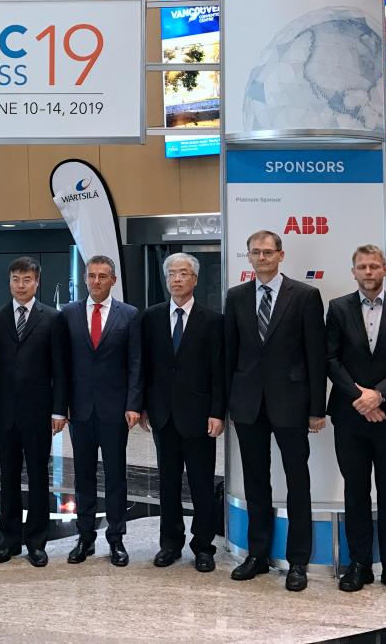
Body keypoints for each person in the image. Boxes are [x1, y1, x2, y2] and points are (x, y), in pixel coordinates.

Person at [225, 230, 325, 591]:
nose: (262, 257)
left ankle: (298, 560)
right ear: (249, 257)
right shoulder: (236, 296)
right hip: (248, 405)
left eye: (268, 252)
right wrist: (226, 404)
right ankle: (258, 555)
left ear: (281, 255)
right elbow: (229, 354)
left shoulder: (305, 295)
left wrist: (317, 408)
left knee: (298, 480)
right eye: (256, 252)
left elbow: (316, 356)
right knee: (256, 481)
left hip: (292, 404)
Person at [326, 244, 386, 598]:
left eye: (374, 266)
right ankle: (359, 564)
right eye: (362, 267)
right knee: (355, 491)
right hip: (350, 417)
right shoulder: (338, 308)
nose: (368, 272)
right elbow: (330, 359)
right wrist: (360, 398)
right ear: (353, 271)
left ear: (385, 269)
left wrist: (378, 396)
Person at [140, 253, 225, 572]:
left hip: (200, 416)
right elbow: (144, 365)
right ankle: (170, 544)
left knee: (202, 484)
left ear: (195, 279)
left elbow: (219, 370)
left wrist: (217, 412)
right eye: (172, 273)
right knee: (168, 484)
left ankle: (203, 546)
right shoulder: (151, 317)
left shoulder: (212, 320)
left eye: (183, 273)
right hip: (163, 415)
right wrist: (144, 405)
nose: (177, 279)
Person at [58, 255, 142, 567]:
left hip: (115, 410)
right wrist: (60, 407)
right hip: (79, 409)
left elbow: (136, 363)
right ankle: (85, 538)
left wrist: (133, 404)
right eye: (91, 275)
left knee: (116, 476)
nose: (96, 281)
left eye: (102, 276)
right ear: (85, 278)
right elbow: (62, 365)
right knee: (83, 476)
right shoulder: (68, 313)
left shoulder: (129, 315)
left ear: (113, 280)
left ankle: (116, 539)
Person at [0, 257, 67, 567]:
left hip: (38, 411)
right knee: (7, 476)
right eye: (16, 279)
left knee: (37, 476)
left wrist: (59, 410)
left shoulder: (53, 318)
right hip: (4, 411)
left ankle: (36, 541)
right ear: (9, 282)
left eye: (27, 280)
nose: (20, 285)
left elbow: (60, 368)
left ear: (37, 282)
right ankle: (8, 540)